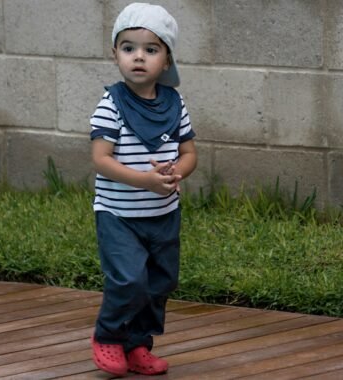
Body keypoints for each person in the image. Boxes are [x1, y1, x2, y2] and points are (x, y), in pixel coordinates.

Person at [88, 3, 197, 376]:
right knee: (129, 278)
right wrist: (145, 181)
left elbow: (189, 153)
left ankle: (137, 344)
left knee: (159, 283)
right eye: (128, 48)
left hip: (163, 213)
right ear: (115, 54)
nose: (138, 57)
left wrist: (174, 172)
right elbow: (101, 159)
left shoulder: (175, 103)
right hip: (119, 213)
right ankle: (107, 336)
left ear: (166, 60)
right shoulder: (111, 104)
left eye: (151, 50)